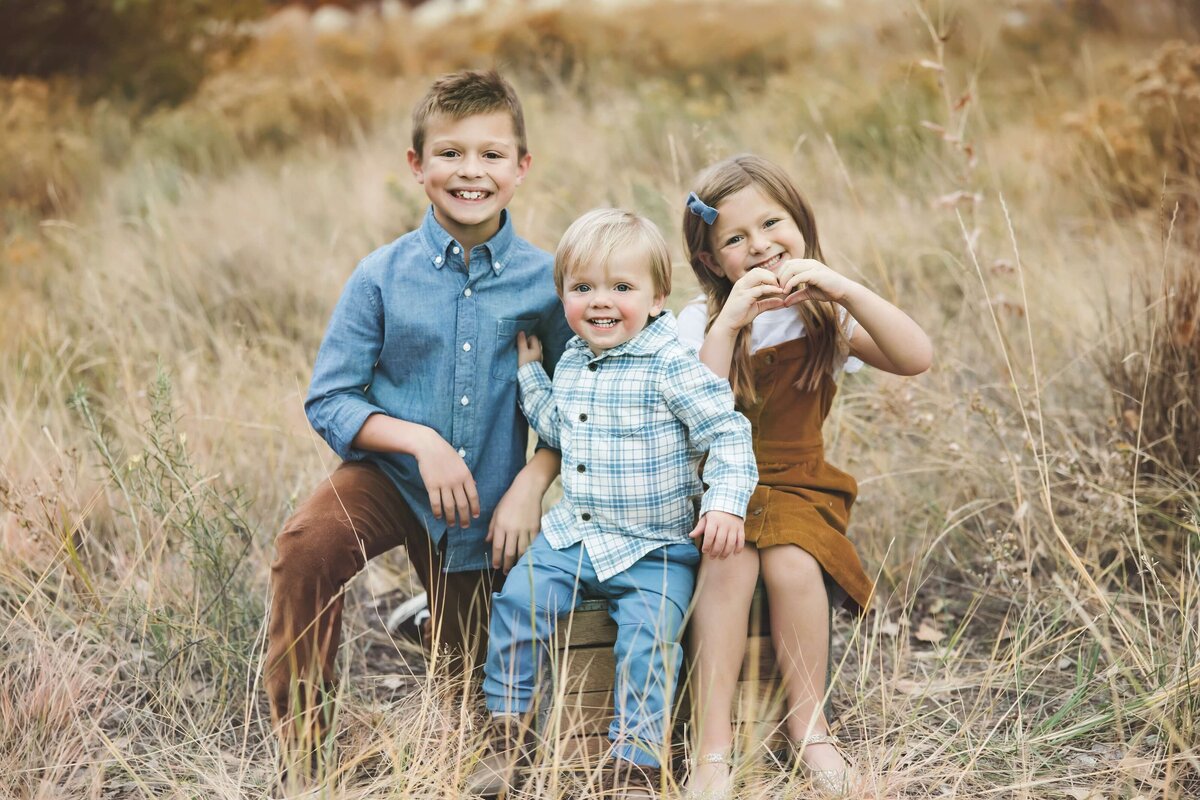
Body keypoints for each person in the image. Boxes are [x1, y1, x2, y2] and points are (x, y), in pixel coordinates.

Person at [263, 69, 572, 779]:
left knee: (477, 707)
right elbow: (331, 397)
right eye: (450, 153)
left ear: (522, 168)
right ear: (417, 166)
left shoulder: (548, 283)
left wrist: (531, 485)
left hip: (485, 506)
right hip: (387, 478)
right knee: (306, 547)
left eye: (493, 154)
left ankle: (456, 674)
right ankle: (308, 756)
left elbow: (578, 407)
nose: (471, 172)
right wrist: (419, 440)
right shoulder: (380, 275)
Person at [468, 208, 758, 798]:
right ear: (563, 296)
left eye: (622, 288)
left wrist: (725, 504)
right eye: (583, 288)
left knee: (648, 640)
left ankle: (636, 762)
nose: (601, 302)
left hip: (655, 548)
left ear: (657, 299)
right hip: (576, 535)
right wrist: (531, 376)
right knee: (517, 602)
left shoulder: (671, 365)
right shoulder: (572, 360)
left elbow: (727, 433)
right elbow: (559, 427)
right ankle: (508, 734)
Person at [678, 154, 932, 797]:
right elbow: (699, 409)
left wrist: (845, 289)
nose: (760, 246)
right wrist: (730, 321)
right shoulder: (698, 324)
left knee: (793, 565)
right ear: (712, 262)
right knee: (727, 562)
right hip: (722, 489)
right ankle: (713, 745)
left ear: (801, 224)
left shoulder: (826, 317)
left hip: (798, 482)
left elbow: (916, 357)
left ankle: (810, 729)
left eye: (772, 223)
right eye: (735, 239)